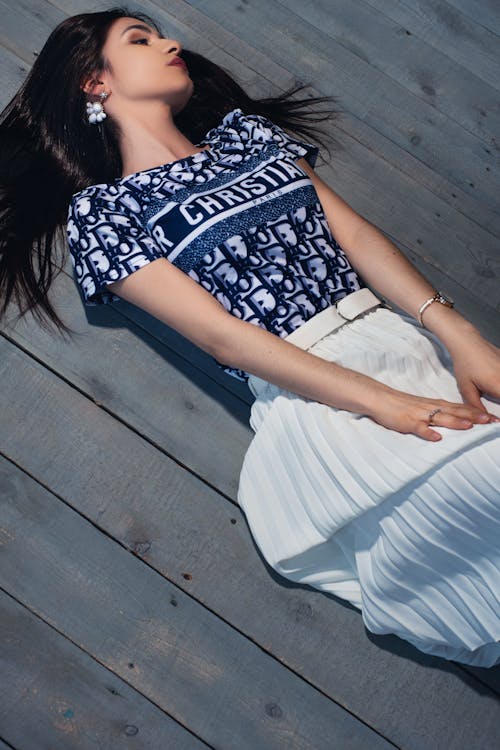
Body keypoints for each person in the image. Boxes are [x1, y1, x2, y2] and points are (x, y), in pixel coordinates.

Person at [1, 9, 499, 667]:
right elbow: (222, 338)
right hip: (323, 396)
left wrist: (459, 332)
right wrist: (380, 402)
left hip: (404, 346)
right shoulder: (107, 213)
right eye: (140, 39)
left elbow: (354, 236)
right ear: (94, 82)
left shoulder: (245, 138)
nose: (171, 42)